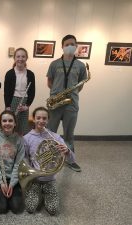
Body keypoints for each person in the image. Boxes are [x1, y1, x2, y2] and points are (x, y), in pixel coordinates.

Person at [24, 106, 76, 215]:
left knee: (53, 210)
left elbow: (72, 160)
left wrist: (67, 151)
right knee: (30, 208)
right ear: (33, 119)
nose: (41, 121)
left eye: (44, 118)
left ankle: (44, 192)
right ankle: (37, 191)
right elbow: (25, 160)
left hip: (50, 179)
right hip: (35, 179)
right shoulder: (27, 138)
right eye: (38, 118)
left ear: (48, 120)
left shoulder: (55, 137)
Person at [47, 34, 87, 172]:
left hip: (71, 103)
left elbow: (81, 84)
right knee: (50, 132)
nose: (70, 46)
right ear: (62, 47)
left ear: (76, 46)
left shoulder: (81, 65)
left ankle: (70, 160)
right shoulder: (54, 64)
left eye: (73, 44)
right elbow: (49, 82)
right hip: (56, 103)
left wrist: (70, 94)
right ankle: (49, 157)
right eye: (67, 44)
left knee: (69, 133)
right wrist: (58, 95)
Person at [0, 110, 25, 214]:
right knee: (2, 208)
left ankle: (12, 189)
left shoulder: (19, 140)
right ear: (0, 123)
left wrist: (12, 184)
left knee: (17, 208)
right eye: (4, 121)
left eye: (10, 121)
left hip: (14, 177)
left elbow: (19, 164)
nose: (7, 123)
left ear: (15, 123)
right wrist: (0, 183)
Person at [4, 47, 35, 135]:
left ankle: (22, 148)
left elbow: (32, 91)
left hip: (24, 102)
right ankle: (10, 147)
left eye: (23, 56)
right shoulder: (9, 73)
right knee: (11, 127)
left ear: (26, 58)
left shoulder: (30, 74)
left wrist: (27, 105)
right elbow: (6, 92)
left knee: (23, 128)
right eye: (18, 56)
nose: (20, 59)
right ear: (14, 58)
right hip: (12, 101)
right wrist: (8, 106)